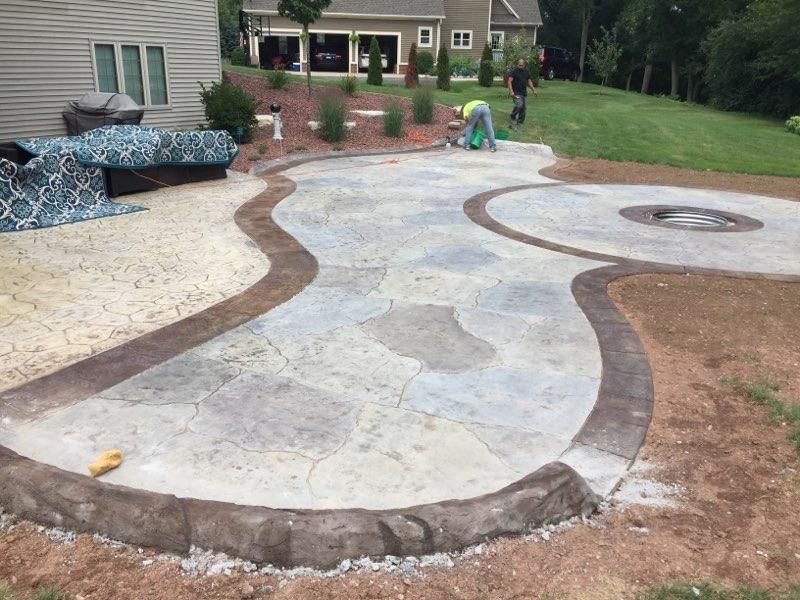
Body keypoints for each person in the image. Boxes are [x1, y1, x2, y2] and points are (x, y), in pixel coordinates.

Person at [507, 58, 538, 130]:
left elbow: (529, 81)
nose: (520, 66)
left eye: (522, 65)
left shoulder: (527, 72)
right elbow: (509, 81)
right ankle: (513, 116)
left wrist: (534, 90)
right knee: (519, 105)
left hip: (524, 93)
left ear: (524, 65)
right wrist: (511, 92)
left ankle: (520, 122)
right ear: (517, 64)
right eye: (519, 65)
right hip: (516, 92)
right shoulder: (514, 71)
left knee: (523, 108)